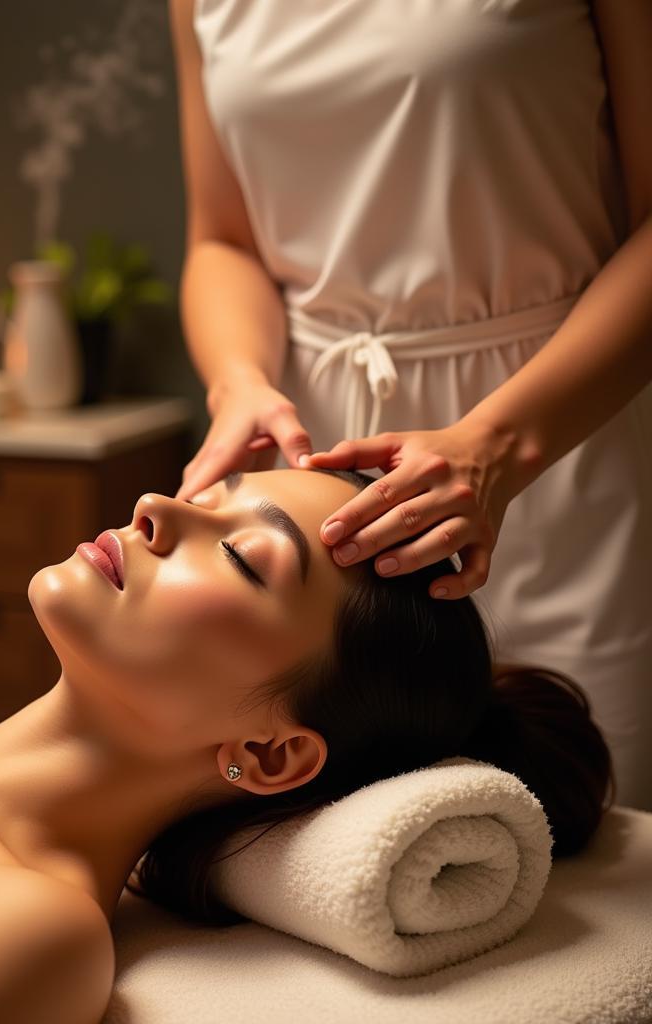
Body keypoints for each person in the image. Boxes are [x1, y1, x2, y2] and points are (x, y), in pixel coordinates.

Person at [0, 467, 612, 1023]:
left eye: (240, 555)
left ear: (272, 754)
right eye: (205, 497)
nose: (155, 508)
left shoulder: (26, 929)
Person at [167, 0, 652, 810]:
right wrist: (239, 380)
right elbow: (224, 240)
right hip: (318, 465)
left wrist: (496, 446)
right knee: (331, 828)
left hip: (551, 436)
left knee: (590, 828)